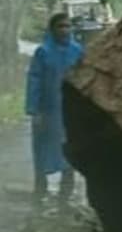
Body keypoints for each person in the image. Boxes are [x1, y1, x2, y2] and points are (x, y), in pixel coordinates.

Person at [25, 12, 84, 206]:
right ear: (52, 29)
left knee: (70, 150)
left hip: (70, 113)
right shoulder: (43, 52)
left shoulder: (78, 51)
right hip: (47, 111)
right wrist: (34, 110)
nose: (65, 30)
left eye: (68, 26)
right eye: (60, 26)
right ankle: (39, 190)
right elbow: (34, 80)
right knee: (42, 150)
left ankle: (64, 196)